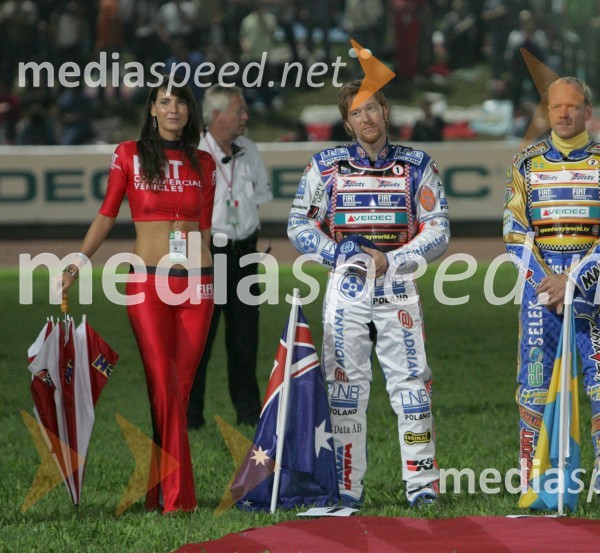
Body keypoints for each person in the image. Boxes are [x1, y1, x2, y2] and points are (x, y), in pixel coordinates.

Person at [287, 80, 450, 508]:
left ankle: (422, 486)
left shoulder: (418, 165)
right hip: (346, 291)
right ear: (347, 122)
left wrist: (392, 260)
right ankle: (346, 488)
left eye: (373, 109)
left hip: (399, 289)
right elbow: (299, 224)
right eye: (357, 113)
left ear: (387, 110)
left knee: (412, 388)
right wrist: (339, 254)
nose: (367, 119)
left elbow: (439, 229)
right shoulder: (325, 165)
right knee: (344, 391)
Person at [60, 77, 216, 514]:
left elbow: (205, 230)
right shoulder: (128, 154)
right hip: (147, 282)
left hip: (199, 284)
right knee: (163, 384)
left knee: (177, 391)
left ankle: (158, 490)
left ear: (190, 110)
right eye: (164, 102)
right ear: (151, 108)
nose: (173, 110)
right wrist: (76, 262)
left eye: (181, 102)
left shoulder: (205, 162)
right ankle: (178, 498)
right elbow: (106, 215)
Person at [503, 76, 600, 505]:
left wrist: (574, 280)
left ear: (588, 112)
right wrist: (548, 285)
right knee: (535, 382)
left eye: (572, 106)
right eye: (556, 106)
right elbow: (513, 232)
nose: (563, 114)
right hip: (540, 288)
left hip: (592, 290)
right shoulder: (525, 163)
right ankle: (535, 480)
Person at [188, 85, 272, 430]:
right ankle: (191, 417)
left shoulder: (249, 150)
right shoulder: (191, 153)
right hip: (207, 255)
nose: (245, 116)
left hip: (246, 254)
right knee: (199, 341)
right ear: (217, 115)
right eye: (239, 110)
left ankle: (250, 414)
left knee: (245, 340)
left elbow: (259, 201)